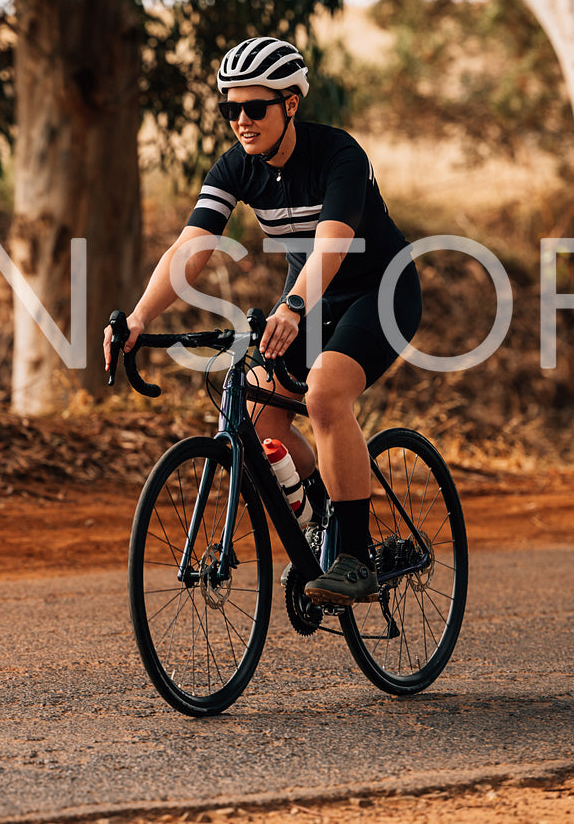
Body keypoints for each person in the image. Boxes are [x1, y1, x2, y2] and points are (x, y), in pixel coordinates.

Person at [103, 36, 423, 605]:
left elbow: (331, 243)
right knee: (257, 420)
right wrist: (138, 316)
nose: (242, 121)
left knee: (325, 396)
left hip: (380, 290)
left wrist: (294, 306)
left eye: (256, 108)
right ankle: (327, 508)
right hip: (311, 299)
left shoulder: (339, 155)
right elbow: (191, 249)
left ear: (290, 104)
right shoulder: (236, 168)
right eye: (231, 109)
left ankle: (353, 559)